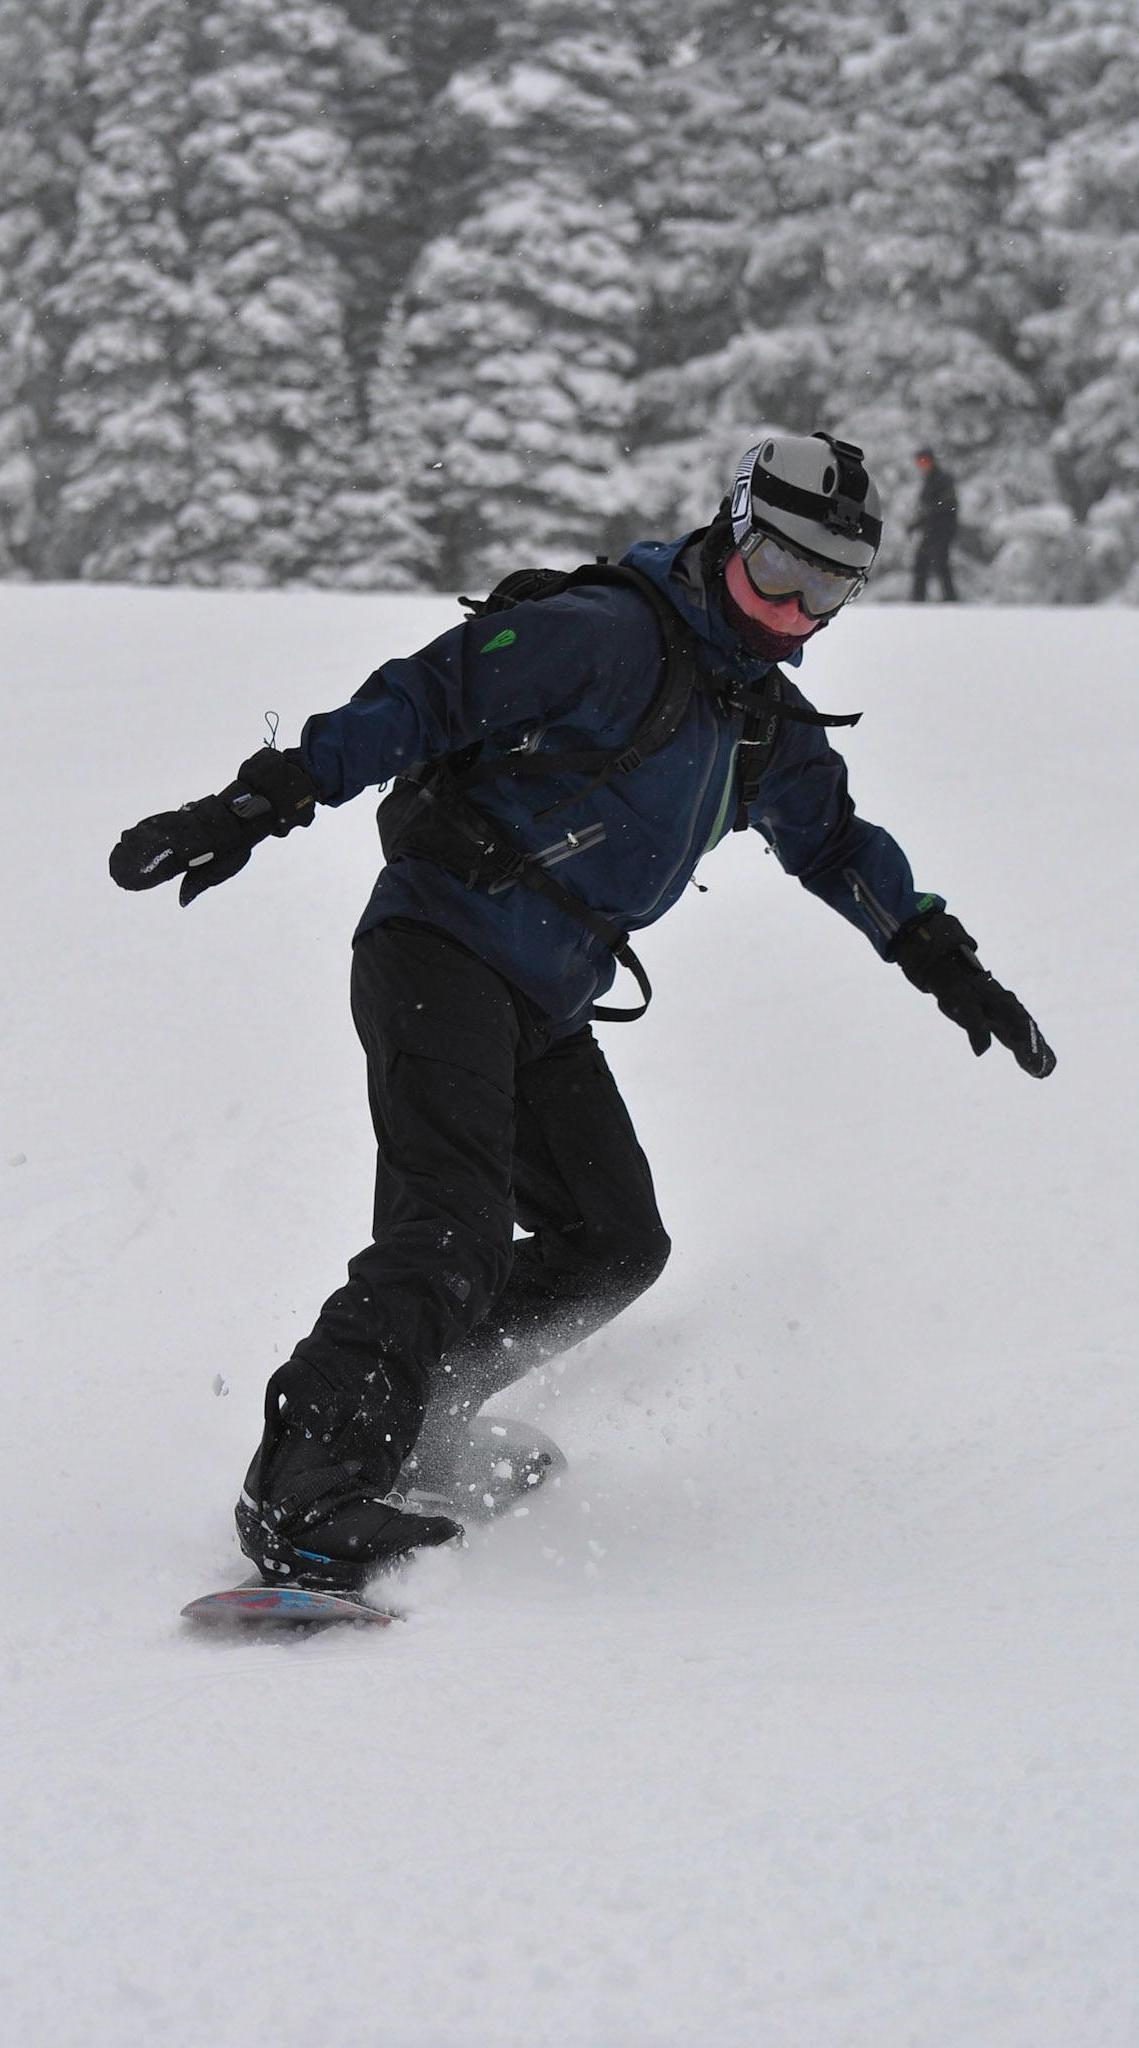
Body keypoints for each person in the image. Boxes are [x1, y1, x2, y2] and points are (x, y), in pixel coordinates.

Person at [110, 431, 1055, 1594]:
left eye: (827, 591)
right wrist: (262, 801)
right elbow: (426, 695)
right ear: (732, 531)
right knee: (444, 1233)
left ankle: (422, 1419)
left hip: (546, 994)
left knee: (615, 1242)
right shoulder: (605, 634)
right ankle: (304, 1489)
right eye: (778, 572)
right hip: (441, 947)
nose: (791, 612)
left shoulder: (759, 716)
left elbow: (837, 841)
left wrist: (937, 953)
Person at [911, 447, 959, 601]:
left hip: (943, 529)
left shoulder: (942, 479)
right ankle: (918, 598)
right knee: (922, 563)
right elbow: (927, 510)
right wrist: (915, 524)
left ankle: (949, 598)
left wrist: (931, 511)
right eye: (919, 462)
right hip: (931, 529)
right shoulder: (929, 480)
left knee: (940, 563)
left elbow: (948, 504)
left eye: (924, 461)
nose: (922, 465)